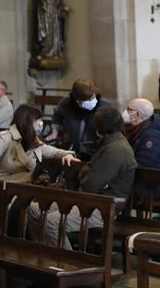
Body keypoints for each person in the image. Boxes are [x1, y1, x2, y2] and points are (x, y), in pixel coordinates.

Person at [30, 107, 136, 249]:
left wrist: (85, 172)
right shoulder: (110, 143)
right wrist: (87, 171)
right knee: (33, 210)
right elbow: (88, 173)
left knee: (52, 222)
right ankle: (43, 252)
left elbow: (90, 185)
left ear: (99, 129)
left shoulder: (116, 149)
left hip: (104, 206)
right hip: (88, 199)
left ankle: (66, 263)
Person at [0, 105, 78, 230]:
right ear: (27, 121)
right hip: (1, 195)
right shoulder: (7, 137)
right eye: (37, 121)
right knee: (31, 212)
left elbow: (54, 152)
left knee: (48, 210)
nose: (41, 124)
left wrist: (67, 154)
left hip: (23, 192)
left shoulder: (34, 141)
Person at [52, 78, 112, 159]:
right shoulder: (66, 103)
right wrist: (55, 131)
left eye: (93, 97)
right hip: (72, 149)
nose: (92, 100)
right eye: (89, 99)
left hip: (96, 152)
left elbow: (113, 128)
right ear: (78, 100)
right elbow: (57, 115)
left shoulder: (106, 106)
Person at [122, 99, 160, 170]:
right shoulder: (130, 127)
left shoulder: (153, 135)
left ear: (137, 114)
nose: (125, 111)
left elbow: (146, 164)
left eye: (129, 109)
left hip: (144, 176)